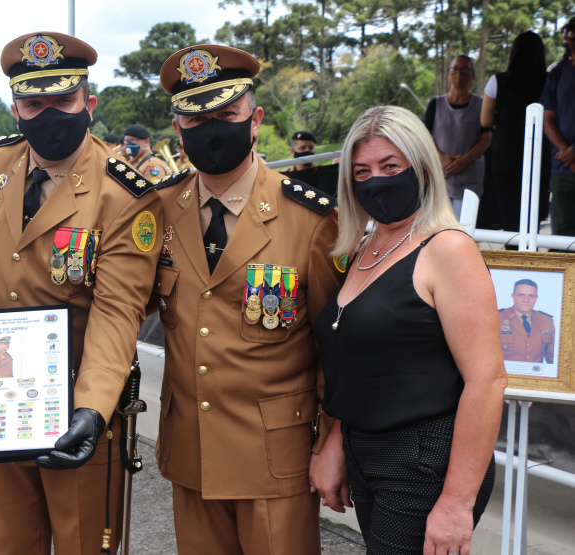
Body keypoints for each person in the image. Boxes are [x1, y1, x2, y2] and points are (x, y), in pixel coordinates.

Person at [0, 31, 162, 554]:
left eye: (64, 100)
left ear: (89, 103)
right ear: (15, 108)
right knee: (7, 543)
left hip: (77, 406)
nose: (49, 114)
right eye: (35, 103)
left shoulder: (122, 193)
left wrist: (95, 406)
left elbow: (118, 310)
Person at [152, 43, 344, 554]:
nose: (211, 128)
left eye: (226, 114)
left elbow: (337, 346)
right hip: (191, 451)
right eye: (195, 119)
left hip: (275, 460)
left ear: (254, 119)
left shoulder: (310, 218)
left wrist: (334, 444)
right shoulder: (158, 209)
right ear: (178, 129)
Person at [314, 105, 508, 554]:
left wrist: (457, 503)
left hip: (424, 458)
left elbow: (487, 380)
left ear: (420, 167)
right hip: (369, 454)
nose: (375, 181)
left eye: (390, 166)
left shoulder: (448, 249)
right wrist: (337, 445)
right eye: (361, 171)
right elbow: (369, 365)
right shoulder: (365, 248)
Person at [481, 31, 550, 235]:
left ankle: (512, 260)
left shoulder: (498, 81)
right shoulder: (549, 81)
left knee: (510, 218)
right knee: (533, 218)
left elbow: (485, 120)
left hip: (506, 155)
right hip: (540, 154)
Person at [423, 55, 492, 218]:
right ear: (448, 75)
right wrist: (441, 157)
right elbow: (424, 136)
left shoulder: (481, 105)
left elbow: (487, 138)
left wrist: (464, 160)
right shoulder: (435, 104)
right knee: (439, 232)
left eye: (464, 69)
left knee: (464, 232)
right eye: (455, 69)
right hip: (440, 182)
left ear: (472, 75)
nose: (459, 74)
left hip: (470, 183)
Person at [541, 17, 575, 238]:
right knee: (562, 237)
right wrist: (568, 153)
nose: (568, 38)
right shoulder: (557, 73)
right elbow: (546, 119)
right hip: (563, 169)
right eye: (568, 34)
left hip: (566, 161)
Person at [499, 279, 555, 363]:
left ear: (536, 298)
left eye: (531, 296)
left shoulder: (546, 320)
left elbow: (553, 356)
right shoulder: (497, 317)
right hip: (505, 375)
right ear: (513, 296)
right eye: (521, 295)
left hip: (536, 375)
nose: (526, 300)